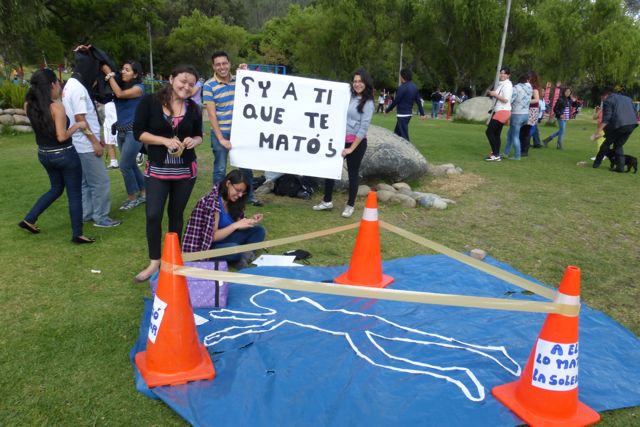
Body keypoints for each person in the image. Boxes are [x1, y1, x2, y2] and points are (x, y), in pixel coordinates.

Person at [132, 64, 203, 282]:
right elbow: (138, 133)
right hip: (157, 169)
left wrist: (194, 141)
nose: (186, 87)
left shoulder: (193, 108)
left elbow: (199, 135)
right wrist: (164, 140)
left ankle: (172, 260)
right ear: (171, 79)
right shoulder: (150, 102)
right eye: (183, 81)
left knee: (176, 214)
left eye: (191, 84)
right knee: (153, 215)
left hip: (185, 171)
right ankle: (154, 262)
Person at [20, 68, 95, 244]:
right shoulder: (56, 107)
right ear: (52, 85)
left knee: (56, 188)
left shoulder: (28, 105)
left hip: (44, 154)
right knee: (74, 194)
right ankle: (78, 234)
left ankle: (29, 219)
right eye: (58, 83)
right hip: (64, 155)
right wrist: (78, 125)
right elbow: (61, 136)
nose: (60, 86)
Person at [62, 47, 121, 228]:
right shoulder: (78, 89)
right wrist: (95, 142)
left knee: (86, 183)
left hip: (78, 144)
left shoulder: (70, 85)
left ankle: (87, 214)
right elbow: (80, 119)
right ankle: (101, 217)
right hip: (86, 146)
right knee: (100, 182)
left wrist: (97, 137)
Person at [202, 51, 262, 206]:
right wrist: (221, 138)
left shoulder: (239, 80)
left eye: (224, 63)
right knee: (220, 168)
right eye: (218, 64)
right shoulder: (208, 85)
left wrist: (246, 72)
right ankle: (217, 197)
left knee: (245, 167)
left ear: (229, 63)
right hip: (220, 132)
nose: (222, 67)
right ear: (213, 66)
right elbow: (212, 115)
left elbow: (255, 89)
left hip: (240, 132)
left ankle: (249, 196)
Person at [313, 68, 375, 218]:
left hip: (356, 144)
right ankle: (327, 201)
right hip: (340, 140)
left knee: (353, 174)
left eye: (360, 81)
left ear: (366, 83)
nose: (357, 84)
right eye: (355, 81)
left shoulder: (368, 103)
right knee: (330, 169)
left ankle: (350, 205)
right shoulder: (349, 96)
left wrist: (351, 149)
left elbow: (363, 128)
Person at [183, 169, 265, 269]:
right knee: (234, 249)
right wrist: (235, 226)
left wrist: (250, 221)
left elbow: (238, 223)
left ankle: (242, 256)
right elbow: (212, 237)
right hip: (209, 246)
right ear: (228, 183)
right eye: (238, 190)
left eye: (242, 192)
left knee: (259, 230)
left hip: (228, 240)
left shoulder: (233, 200)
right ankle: (242, 255)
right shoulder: (212, 202)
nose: (240, 195)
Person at [101, 60, 146, 211]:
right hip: (121, 131)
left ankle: (132, 198)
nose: (123, 72)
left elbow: (120, 94)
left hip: (134, 132)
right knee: (131, 164)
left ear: (135, 74)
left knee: (125, 165)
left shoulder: (139, 88)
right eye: (122, 69)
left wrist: (109, 74)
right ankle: (144, 193)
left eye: (127, 70)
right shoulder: (119, 85)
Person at [592, 86, 638, 172]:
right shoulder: (627, 98)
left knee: (606, 144)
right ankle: (620, 168)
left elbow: (606, 118)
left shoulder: (608, 101)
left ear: (605, 95)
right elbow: (635, 112)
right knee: (618, 145)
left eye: (601, 98)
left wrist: (597, 132)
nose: (602, 100)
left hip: (619, 125)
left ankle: (596, 163)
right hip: (631, 124)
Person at [385, 68, 426, 141]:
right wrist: (422, 114)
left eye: (400, 76)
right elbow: (418, 102)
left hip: (402, 115)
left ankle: (408, 148)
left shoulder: (402, 88)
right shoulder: (414, 87)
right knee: (396, 134)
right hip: (408, 114)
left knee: (404, 137)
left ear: (402, 76)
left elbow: (396, 101)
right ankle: (395, 146)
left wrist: (387, 110)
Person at [484, 67, 513, 161]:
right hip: (500, 110)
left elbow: (505, 100)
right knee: (496, 133)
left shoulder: (507, 85)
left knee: (489, 132)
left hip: (502, 111)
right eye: (501, 73)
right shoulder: (502, 84)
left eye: (504, 73)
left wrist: (495, 94)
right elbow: (498, 95)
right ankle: (496, 154)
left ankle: (496, 154)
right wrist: (491, 93)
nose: (502, 75)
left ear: (508, 75)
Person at [503, 73, 532, 160]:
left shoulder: (516, 88)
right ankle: (505, 153)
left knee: (515, 136)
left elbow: (511, 100)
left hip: (517, 114)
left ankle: (517, 155)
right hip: (526, 114)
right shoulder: (530, 88)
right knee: (510, 134)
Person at [519, 71, 540, 157]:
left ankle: (524, 151)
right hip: (526, 110)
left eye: (529, 77)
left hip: (532, 110)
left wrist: (525, 101)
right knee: (522, 130)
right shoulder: (526, 87)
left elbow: (536, 99)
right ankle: (521, 149)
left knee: (526, 131)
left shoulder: (534, 88)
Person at [102, 101, 119, 169]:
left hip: (117, 122)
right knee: (109, 142)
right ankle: (113, 162)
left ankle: (136, 156)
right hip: (107, 122)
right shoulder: (105, 100)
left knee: (121, 144)